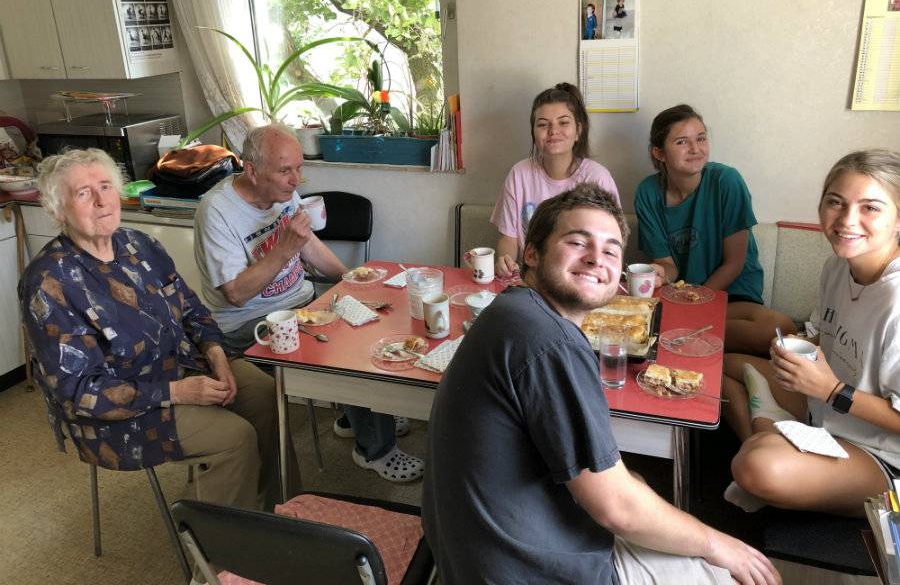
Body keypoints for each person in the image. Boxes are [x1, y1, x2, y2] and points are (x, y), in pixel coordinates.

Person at [423, 183, 781, 585]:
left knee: (638, 484)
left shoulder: (512, 310)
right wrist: (719, 543)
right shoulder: (549, 341)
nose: (597, 258)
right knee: (736, 572)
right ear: (531, 253)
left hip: (472, 554)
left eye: (611, 250)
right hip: (525, 570)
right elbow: (616, 510)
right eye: (578, 242)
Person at [19, 148, 298, 512]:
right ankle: (223, 557)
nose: (103, 201)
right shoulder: (49, 282)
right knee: (235, 438)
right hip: (119, 413)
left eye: (106, 186)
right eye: (84, 193)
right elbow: (81, 392)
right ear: (59, 210)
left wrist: (218, 358)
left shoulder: (139, 245)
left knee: (265, 394)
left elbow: (192, 310)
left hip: (184, 365)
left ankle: (285, 514)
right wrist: (178, 391)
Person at [194, 123, 424, 483]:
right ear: (252, 170)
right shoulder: (217, 212)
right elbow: (236, 292)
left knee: (371, 316)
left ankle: (359, 412)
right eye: (285, 170)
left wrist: (351, 280)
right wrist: (285, 247)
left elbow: (309, 245)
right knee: (347, 344)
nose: (296, 180)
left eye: (299, 168)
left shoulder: (284, 195)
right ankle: (375, 449)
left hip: (302, 305)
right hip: (246, 325)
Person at [725, 150, 900, 516]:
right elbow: (825, 334)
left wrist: (832, 390)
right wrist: (797, 348)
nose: (847, 220)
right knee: (721, 367)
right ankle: (773, 438)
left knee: (756, 467)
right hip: (824, 409)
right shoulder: (838, 266)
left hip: (879, 453)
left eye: (870, 207)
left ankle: (769, 445)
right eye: (835, 202)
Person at [635, 104, 795, 359]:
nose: (696, 149)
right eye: (681, 142)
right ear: (659, 153)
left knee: (781, 330)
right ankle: (695, 343)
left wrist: (696, 305)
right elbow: (668, 265)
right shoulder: (647, 192)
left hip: (730, 296)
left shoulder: (726, 181)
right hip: (680, 301)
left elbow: (734, 263)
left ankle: (682, 338)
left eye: (701, 139)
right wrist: (660, 272)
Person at [491, 82, 619, 278]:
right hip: (532, 282)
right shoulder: (519, 174)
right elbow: (509, 237)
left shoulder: (598, 178)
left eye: (563, 122)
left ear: (578, 131)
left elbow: (611, 247)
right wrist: (506, 259)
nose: (553, 130)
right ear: (534, 134)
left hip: (581, 280)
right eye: (543, 124)